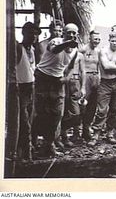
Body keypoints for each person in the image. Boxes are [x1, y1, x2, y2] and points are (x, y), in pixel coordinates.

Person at [32, 23, 79, 157]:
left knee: (57, 113)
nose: (71, 35)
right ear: (63, 33)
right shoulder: (56, 41)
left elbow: (70, 67)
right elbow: (54, 50)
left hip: (58, 81)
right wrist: (67, 43)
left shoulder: (75, 50)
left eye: (73, 33)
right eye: (68, 32)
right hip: (43, 78)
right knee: (40, 113)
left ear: (77, 35)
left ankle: (49, 144)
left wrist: (66, 79)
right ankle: (32, 141)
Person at [88, 31, 116, 146]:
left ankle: (110, 133)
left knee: (115, 109)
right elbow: (106, 67)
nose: (115, 43)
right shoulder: (103, 51)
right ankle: (96, 134)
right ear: (109, 40)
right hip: (105, 83)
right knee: (102, 110)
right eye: (113, 40)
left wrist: (114, 67)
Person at [16, 22, 41, 160]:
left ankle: (27, 149)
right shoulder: (18, 48)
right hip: (21, 88)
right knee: (23, 121)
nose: (33, 37)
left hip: (31, 87)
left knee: (31, 119)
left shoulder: (32, 49)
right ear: (24, 33)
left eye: (35, 34)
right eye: (31, 33)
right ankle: (23, 151)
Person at [78, 30, 101, 141]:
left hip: (95, 78)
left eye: (98, 39)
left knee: (93, 105)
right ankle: (77, 130)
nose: (96, 41)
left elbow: (99, 66)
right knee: (83, 104)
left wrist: (99, 78)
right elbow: (78, 65)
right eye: (95, 39)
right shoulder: (82, 49)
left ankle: (86, 129)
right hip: (85, 77)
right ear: (89, 39)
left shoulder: (99, 51)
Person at [60, 51, 86, 147]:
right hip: (63, 81)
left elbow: (83, 71)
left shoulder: (79, 55)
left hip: (75, 82)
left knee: (76, 112)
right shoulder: (61, 53)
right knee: (63, 110)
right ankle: (64, 137)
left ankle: (71, 132)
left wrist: (83, 87)